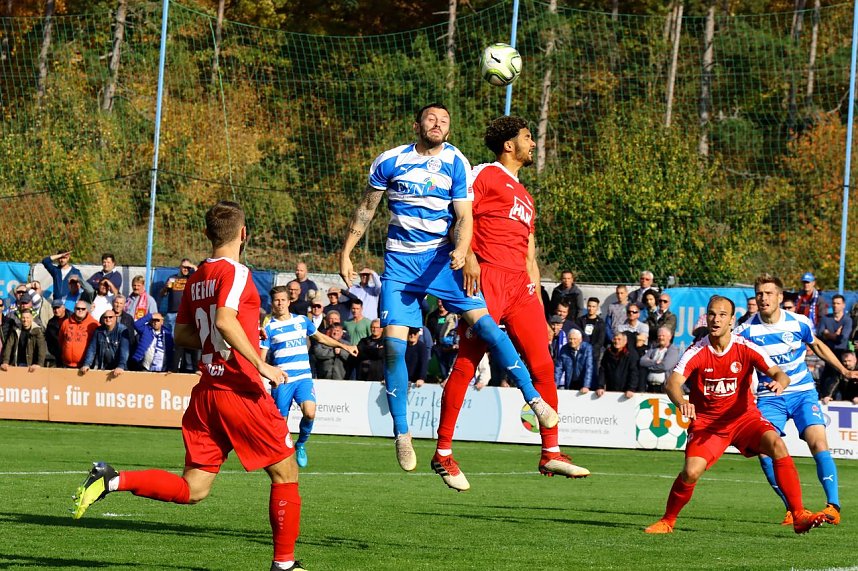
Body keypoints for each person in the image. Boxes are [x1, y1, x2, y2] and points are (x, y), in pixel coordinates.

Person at [72, 201, 306, 571]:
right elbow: (226, 322)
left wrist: (218, 338)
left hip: (207, 394)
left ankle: (112, 480)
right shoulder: (237, 273)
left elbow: (182, 333)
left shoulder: (196, 278)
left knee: (194, 489)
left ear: (206, 234)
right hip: (238, 390)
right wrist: (261, 362)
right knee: (286, 472)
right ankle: (284, 564)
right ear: (243, 234)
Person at [339, 104, 557, 472]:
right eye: (431, 119)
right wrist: (346, 252)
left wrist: (461, 248)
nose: (438, 124)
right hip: (400, 267)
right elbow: (367, 207)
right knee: (393, 349)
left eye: (444, 121)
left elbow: (465, 215)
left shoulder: (457, 161)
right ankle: (403, 435)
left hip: (441, 262)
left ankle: (534, 400)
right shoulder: (389, 161)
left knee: (487, 327)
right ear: (417, 125)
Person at [431, 116, 587, 490]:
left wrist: (534, 282)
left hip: (520, 288)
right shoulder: (483, 173)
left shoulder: (526, 196)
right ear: (508, 145)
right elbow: (459, 215)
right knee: (467, 364)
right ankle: (443, 453)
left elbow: (528, 248)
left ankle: (551, 453)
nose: (533, 144)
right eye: (528, 138)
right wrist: (465, 253)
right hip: (486, 280)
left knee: (543, 363)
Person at [644, 295, 827, 535]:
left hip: (744, 420)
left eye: (722, 315)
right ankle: (667, 521)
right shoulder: (697, 351)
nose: (716, 319)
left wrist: (780, 383)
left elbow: (778, 373)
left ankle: (799, 515)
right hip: (708, 426)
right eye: (712, 314)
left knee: (777, 445)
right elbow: (672, 384)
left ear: (732, 320)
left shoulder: (745, 346)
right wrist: (681, 402)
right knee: (690, 472)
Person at [734, 273, 858, 526]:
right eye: (759, 293)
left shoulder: (798, 322)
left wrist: (844, 371)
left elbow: (819, 346)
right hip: (769, 398)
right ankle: (793, 509)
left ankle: (833, 507)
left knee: (818, 442)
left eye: (769, 293)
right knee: (765, 453)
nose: (763, 298)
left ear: (780, 297)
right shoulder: (745, 331)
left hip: (802, 393)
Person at [261, 285, 358, 468]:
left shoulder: (302, 321)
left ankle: (301, 444)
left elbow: (321, 338)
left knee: (310, 413)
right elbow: (261, 358)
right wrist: (269, 374)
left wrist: (345, 346)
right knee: (281, 423)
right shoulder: (269, 328)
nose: (280, 303)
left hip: (304, 377)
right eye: (276, 300)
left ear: (289, 301)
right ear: (272, 304)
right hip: (283, 381)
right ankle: (283, 455)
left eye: (283, 299)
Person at [817, 294, 852, 402]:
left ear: (843, 305)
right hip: (827, 355)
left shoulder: (847, 320)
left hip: (841, 355)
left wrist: (828, 334)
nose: (835, 306)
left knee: (839, 380)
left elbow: (843, 338)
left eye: (838, 303)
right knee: (825, 379)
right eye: (834, 303)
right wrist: (834, 335)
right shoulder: (825, 319)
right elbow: (819, 334)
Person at [79, 310, 130, 378]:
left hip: (118, 369)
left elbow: (124, 351)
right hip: (103, 367)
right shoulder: (98, 331)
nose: (108, 319)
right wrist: (87, 364)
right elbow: (92, 349)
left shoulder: (122, 330)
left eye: (110, 317)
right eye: (105, 317)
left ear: (115, 318)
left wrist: (121, 366)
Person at [0, 307, 47, 371]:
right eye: (23, 318)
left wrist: (39, 364)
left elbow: (41, 348)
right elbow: (9, 346)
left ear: (31, 319)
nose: (25, 320)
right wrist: (5, 362)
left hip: (31, 365)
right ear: (20, 319)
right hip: (17, 364)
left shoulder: (38, 331)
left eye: (27, 318)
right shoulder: (15, 330)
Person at [596, 333, 640, 398]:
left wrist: (631, 388)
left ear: (625, 341)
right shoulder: (608, 353)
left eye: (619, 339)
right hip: (611, 390)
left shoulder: (632, 354)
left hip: (626, 392)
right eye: (615, 339)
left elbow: (634, 372)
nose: (616, 341)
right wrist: (600, 386)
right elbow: (603, 370)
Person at [639, 327, 680, 393]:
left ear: (669, 337)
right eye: (659, 336)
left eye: (663, 336)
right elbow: (642, 361)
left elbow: (665, 366)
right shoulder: (653, 348)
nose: (661, 338)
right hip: (650, 387)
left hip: (664, 388)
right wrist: (655, 362)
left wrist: (649, 365)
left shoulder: (673, 350)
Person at [59, 301, 99, 368]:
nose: (80, 310)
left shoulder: (94, 324)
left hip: (85, 366)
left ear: (87, 310)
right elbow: (61, 340)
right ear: (74, 309)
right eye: (78, 308)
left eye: (83, 309)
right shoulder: (66, 323)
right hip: (66, 364)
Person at [160, 259, 196, 330]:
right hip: (171, 313)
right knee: (169, 337)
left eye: (188, 267)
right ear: (180, 267)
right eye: (183, 267)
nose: (186, 269)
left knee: (183, 337)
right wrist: (166, 288)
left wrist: (191, 265)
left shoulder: (192, 278)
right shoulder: (172, 278)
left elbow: (199, 271)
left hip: (186, 313)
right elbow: (162, 294)